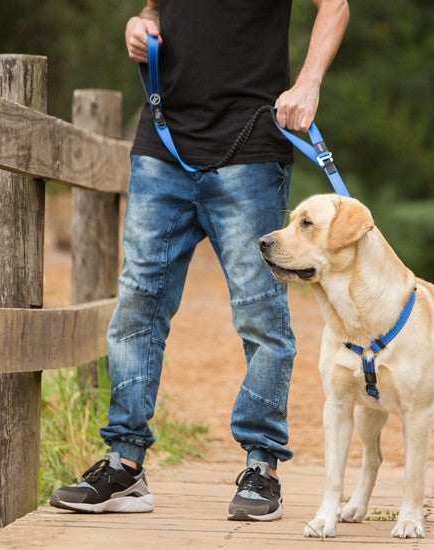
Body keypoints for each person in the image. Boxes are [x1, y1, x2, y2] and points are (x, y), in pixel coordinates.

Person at [50, 0, 349, 521]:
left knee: (260, 315)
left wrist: (308, 83)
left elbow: (336, 5)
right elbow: (154, 10)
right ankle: (125, 465)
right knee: (137, 307)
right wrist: (141, 26)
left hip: (250, 145)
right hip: (162, 143)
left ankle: (261, 468)